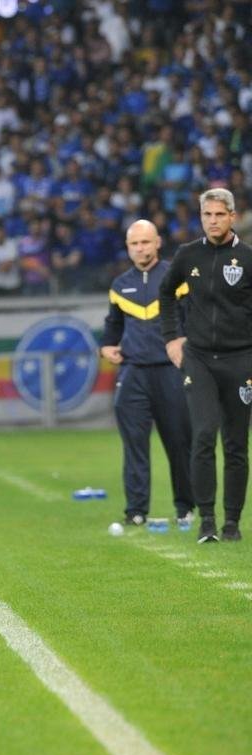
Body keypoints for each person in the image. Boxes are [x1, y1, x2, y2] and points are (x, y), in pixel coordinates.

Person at [160, 188, 252, 543]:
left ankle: (232, 522)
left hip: (240, 359)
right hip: (198, 358)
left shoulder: (247, 258)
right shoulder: (187, 255)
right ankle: (207, 521)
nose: (212, 221)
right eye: (206, 215)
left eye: (219, 215)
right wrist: (171, 338)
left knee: (235, 444)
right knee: (202, 435)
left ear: (232, 216)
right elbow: (166, 295)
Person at [100, 220, 193, 528]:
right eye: (134, 244)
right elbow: (113, 324)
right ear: (128, 248)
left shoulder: (175, 278)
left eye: (145, 242)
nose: (140, 248)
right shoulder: (119, 285)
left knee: (180, 442)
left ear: (158, 243)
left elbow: (192, 318)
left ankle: (186, 507)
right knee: (134, 444)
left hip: (171, 371)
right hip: (133, 372)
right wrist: (107, 347)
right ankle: (136, 511)